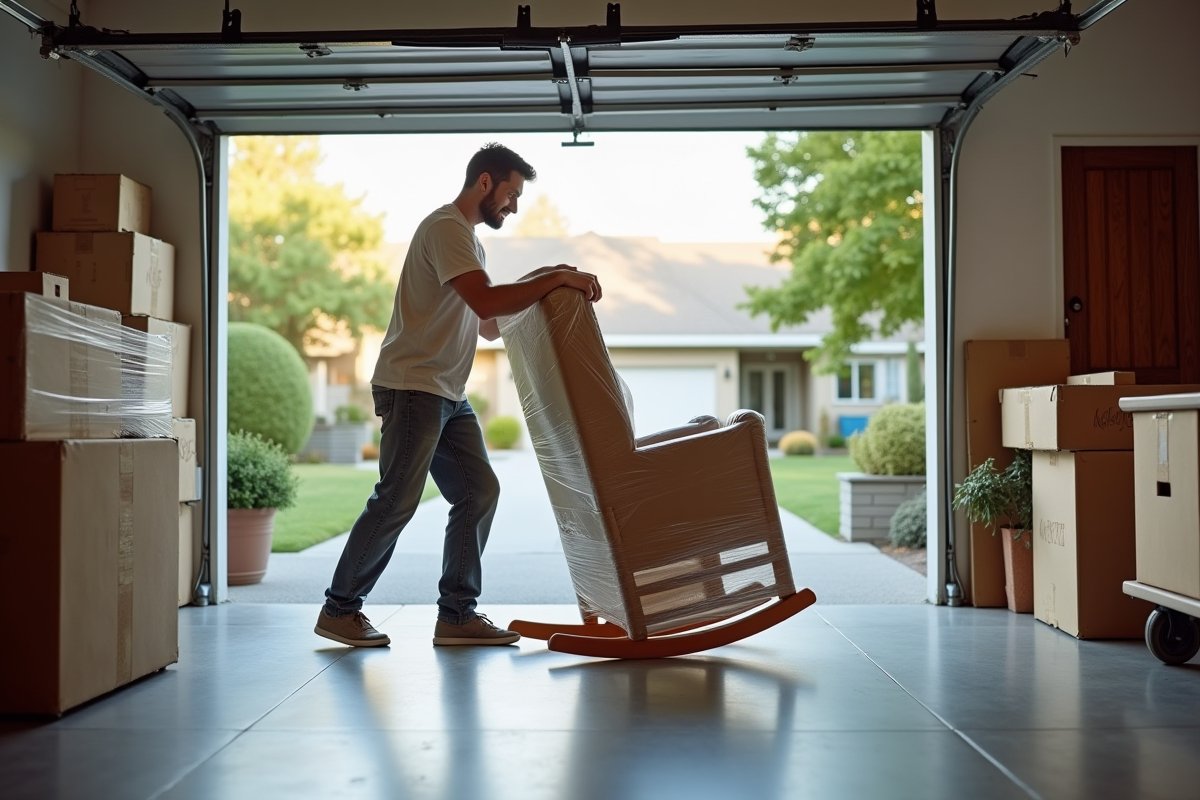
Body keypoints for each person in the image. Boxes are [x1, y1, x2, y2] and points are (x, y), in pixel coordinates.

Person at [315, 143, 602, 648]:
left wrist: (544, 284)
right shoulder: (447, 228)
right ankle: (340, 609)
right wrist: (555, 278)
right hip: (415, 385)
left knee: (478, 491)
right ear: (485, 182)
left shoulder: (470, 242)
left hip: (446, 390)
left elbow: (488, 325)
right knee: (397, 498)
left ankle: (456, 616)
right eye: (511, 193)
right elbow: (488, 300)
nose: (513, 206)